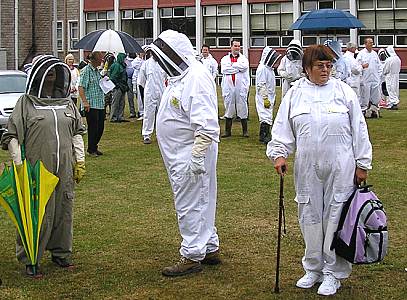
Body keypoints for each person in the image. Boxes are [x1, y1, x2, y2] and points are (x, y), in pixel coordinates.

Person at [267, 45, 372, 296]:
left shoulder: (343, 92)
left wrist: (362, 163)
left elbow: (359, 129)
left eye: (329, 66)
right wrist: (279, 153)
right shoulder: (294, 95)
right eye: (320, 66)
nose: (325, 70)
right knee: (310, 215)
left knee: (336, 215)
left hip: (340, 165)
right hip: (307, 167)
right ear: (306, 69)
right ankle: (313, 267)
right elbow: (283, 127)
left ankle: (332, 272)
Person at [1, 55, 86, 277]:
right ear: (37, 76)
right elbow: (12, 136)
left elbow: (77, 131)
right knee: (37, 212)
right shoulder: (25, 104)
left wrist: (80, 161)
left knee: (63, 210)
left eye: (54, 73)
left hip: (65, 168)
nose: (51, 77)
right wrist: (19, 167)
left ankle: (61, 253)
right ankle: (31, 258)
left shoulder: (67, 103)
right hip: (37, 169)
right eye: (47, 73)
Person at [150, 29, 220, 276]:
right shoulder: (181, 76)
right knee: (203, 199)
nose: (159, 62)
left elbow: (206, 124)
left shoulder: (196, 77)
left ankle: (191, 254)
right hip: (182, 154)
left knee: (190, 203)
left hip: (190, 155)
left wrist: (198, 155)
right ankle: (209, 246)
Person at [220, 39, 250, 137]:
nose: (237, 48)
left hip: (241, 88)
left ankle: (245, 131)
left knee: (242, 107)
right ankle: (227, 131)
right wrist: (237, 68)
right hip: (229, 87)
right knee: (229, 107)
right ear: (231, 47)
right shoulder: (225, 59)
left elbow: (244, 67)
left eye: (238, 46)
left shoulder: (244, 59)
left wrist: (233, 66)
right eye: (235, 46)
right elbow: (224, 69)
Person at [78, 51, 106, 156]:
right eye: (100, 60)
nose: (101, 62)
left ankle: (94, 145)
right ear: (94, 60)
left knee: (100, 127)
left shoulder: (97, 71)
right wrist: (85, 102)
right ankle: (91, 148)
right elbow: (81, 87)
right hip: (91, 104)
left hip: (100, 103)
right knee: (93, 127)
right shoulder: (86, 71)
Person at [255, 47, 281, 144]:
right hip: (264, 96)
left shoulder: (268, 68)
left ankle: (267, 134)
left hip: (269, 95)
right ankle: (263, 136)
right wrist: (265, 98)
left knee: (268, 115)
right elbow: (261, 84)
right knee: (265, 115)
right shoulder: (262, 69)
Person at [141, 50, 166, 144]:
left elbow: (167, 77)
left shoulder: (163, 63)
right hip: (150, 92)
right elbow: (142, 80)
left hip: (161, 91)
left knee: (162, 114)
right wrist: (148, 89)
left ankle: (161, 134)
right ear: (151, 53)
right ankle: (147, 135)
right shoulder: (146, 64)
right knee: (148, 113)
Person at [356, 37, 382, 117]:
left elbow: (379, 65)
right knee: (365, 96)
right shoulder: (361, 54)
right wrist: (360, 77)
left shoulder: (374, 53)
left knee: (375, 95)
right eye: (370, 42)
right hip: (365, 79)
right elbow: (357, 66)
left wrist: (379, 76)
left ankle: (374, 111)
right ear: (365, 44)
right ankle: (363, 111)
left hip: (374, 78)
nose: (371, 44)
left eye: (372, 42)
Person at [108, 52, 129, 123]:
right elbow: (113, 77)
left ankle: (120, 116)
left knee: (122, 102)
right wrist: (117, 84)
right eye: (124, 58)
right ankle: (113, 117)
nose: (125, 60)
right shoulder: (117, 66)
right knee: (115, 102)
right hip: (118, 86)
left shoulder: (122, 65)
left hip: (122, 86)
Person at [382, 46, 401, 110]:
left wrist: (384, 73)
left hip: (390, 76)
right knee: (395, 89)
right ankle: (392, 103)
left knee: (390, 89)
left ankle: (393, 103)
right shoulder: (397, 58)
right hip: (396, 75)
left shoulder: (389, 59)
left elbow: (385, 70)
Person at [131, 52, 145, 119]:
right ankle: (141, 112)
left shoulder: (144, 61)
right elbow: (135, 65)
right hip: (140, 82)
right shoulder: (137, 61)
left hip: (145, 82)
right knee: (140, 98)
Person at [125, 53, 137, 118]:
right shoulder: (125, 60)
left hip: (137, 79)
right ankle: (132, 112)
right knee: (130, 96)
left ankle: (141, 111)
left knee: (139, 96)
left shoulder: (137, 60)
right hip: (129, 79)